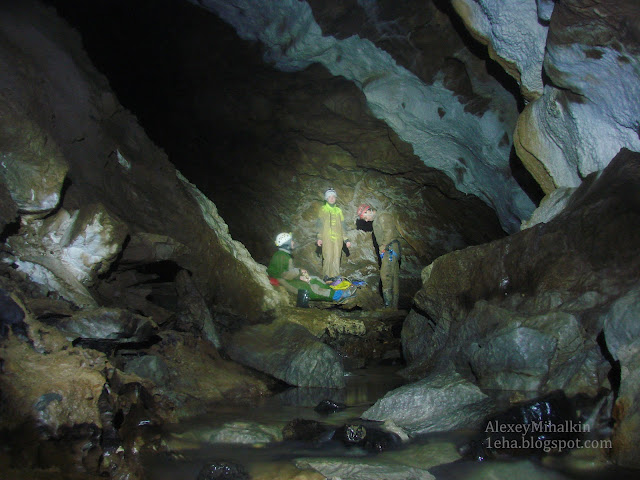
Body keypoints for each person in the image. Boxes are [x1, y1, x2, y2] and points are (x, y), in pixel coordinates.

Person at [267, 232, 356, 303]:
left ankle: (333, 291)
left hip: (289, 279)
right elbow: (284, 274)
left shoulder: (283, 255)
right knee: (311, 288)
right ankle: (337, 296)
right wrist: (299, 272)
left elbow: (286, 272)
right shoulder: (281, 256)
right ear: (286, 244)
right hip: (286, 282)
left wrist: (300, 274)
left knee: (314, 279)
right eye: (291, 241)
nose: (293, 242)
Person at [357, 204, 401, 309]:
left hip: (390, 248)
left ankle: (388, 306)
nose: (366, 221)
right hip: (391, 248)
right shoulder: (378, 218)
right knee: (393, 276)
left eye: (365, 217)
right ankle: (394, 306)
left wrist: (384, 245)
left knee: (385, 274)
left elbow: (389, 231)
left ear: (368, 211)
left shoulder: (382, 216)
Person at [316, 188, 351, 281]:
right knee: (328, 256)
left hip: (338, 238)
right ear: (326, 198)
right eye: (329, 197)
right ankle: (326, 275)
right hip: (326, 237)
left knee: (336, 256)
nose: (332, 198)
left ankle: (335, 275)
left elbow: (343, 226)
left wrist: (346, 239)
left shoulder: (339, 210)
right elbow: (320, 225)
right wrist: (319, 237)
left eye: (333, 197)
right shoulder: (323, 209)